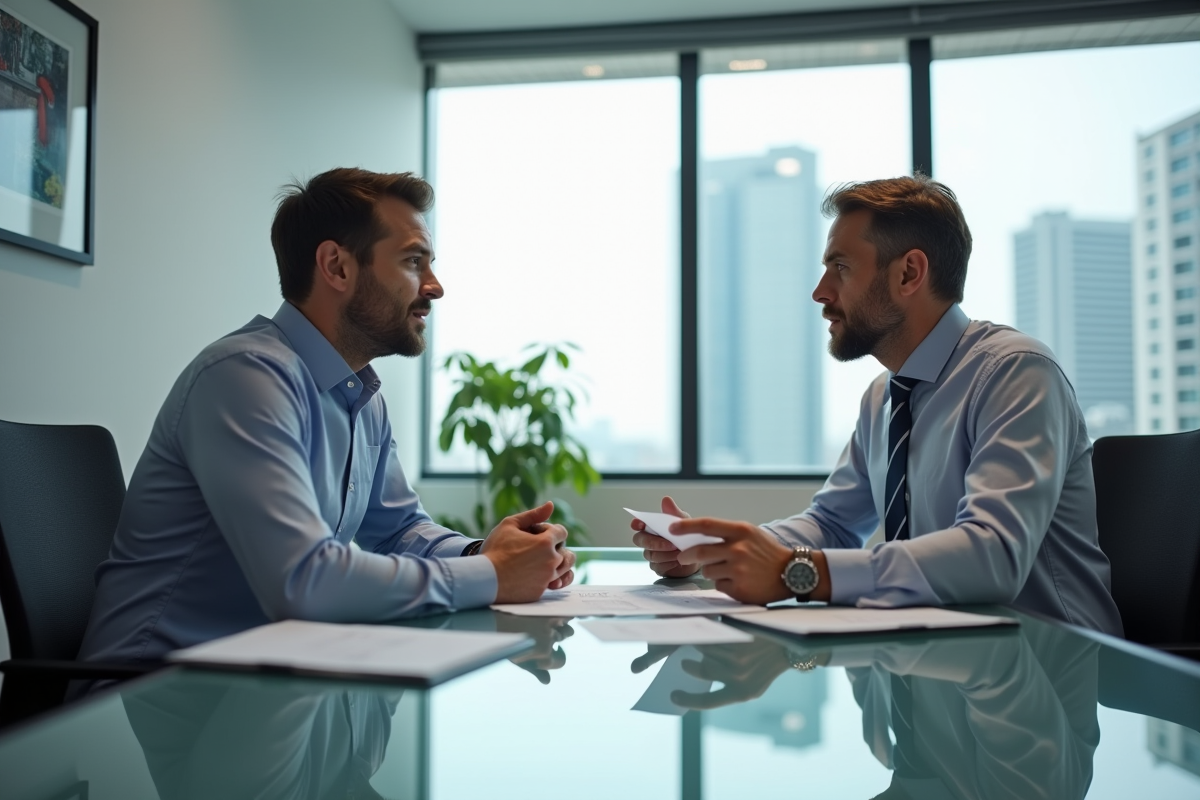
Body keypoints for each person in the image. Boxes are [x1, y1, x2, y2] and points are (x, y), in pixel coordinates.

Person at [77, 168, 575, 667]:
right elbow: (304, 581)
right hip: (149, 698)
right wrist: (493, 574)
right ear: (336, 266)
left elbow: (399, 530)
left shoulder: (359, 393)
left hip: (265, 685)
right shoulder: (245, 377)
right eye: (412, 261)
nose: (435, 285)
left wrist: (488, 553)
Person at [633, 174, 1121, 635]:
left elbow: (992, 555)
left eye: (840, 268)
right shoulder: (884, 396)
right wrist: (724, 552)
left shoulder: (1015, 372)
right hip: (936, 665)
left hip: (1048, 673)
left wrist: (797, 572)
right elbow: (833, 523)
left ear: (909, 273)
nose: (821, 293)